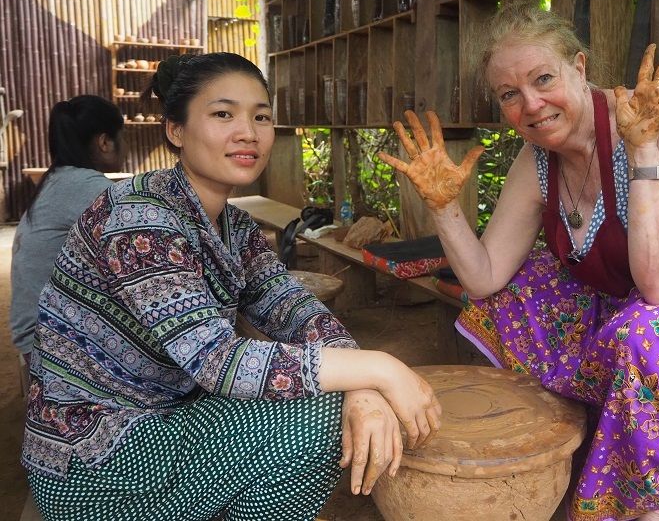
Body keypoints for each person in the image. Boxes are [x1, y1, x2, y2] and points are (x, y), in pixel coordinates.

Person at [379, 2, 659, 521]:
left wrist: (643, 149)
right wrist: (444, 209)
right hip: (651, 301)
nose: (531, 104)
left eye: (543, 78)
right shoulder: (538, 160)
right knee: (519, 291)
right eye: (511, 94)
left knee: (645, 336)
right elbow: (485, 278)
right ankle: (592, 426)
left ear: (579, 69)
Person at [23, 52, 441, 521]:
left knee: (334, 394)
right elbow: (215, 361)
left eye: (261, 116)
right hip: (96, 455)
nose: (249, 132)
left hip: (165, 415)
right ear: (176, 130)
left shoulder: (234, 226)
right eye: (223, 114)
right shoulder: (140, 216)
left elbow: (296, 310)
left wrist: (362, 386)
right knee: (319, 420)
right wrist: (381, 367)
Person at [10, 95, 125, 361]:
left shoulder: (58, 179)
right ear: (105, 142)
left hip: (34, 335)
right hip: (50, 343)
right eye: (124, 137)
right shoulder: (90, 188)